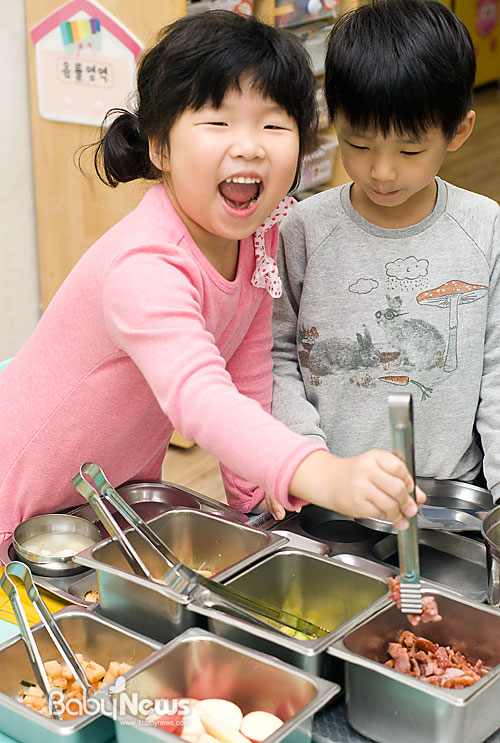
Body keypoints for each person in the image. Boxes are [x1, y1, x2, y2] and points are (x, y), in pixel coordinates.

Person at [0, 10, 420, 544]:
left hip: (107, 503)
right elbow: (200, 397)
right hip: (16, 506)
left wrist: (256, 512)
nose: (248, 145)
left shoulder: (259, 237)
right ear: (160, 147)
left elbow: (246, 375)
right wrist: (324, 473)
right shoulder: (145, 265)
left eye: (273, 124)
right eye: (218, 122)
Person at [269, 0, 500, 520]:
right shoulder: (303, 230)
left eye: (411, 152)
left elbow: (496, 370)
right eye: (358, 144)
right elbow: (275, 357)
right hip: (328, 494)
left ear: (458, 132)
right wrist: (307, 461)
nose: (382, 172)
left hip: (448, 497)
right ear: (333, 118)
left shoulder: (486, 228)